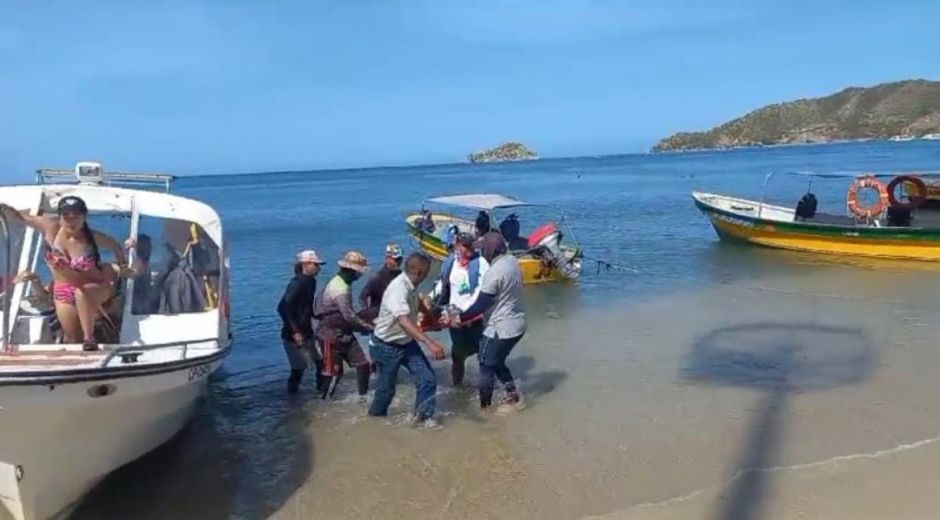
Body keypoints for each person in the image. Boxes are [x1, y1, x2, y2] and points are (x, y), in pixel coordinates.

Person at [0, 196, 131, 350]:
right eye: (66, 216)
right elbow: (20, 217)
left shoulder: (92, 237)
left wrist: (123, 264)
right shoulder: (51, 230)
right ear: (60, 217)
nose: (71, 221)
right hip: (63, 292)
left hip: (92, 287)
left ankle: (90, 338)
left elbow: (115, 246)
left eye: (76, 216)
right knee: (73, 340)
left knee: (82, 297)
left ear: (84, 217)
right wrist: (4, 208)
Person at [443, 231, 526, 415]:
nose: (481, 252)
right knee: (496, 360)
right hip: (518, 324)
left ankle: (485, 408)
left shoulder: (493, 272)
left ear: (492, 250)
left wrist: (458, 318)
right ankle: (513, 395)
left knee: (485, 363)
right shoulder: (512, 262)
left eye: (484, 249)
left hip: (499, 327)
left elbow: (480, 306)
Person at [368, 253, 446, 424]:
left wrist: (431, 318)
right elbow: (403, 321)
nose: (427, 276)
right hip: (386, 346)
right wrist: (429, 342)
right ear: (418, 272)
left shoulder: (411, 284)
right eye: (426, 273)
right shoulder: (398, 289)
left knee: (428, 380)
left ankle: (423, 421)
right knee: (386, 391)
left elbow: (416, 302)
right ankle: (374, 423)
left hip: (406, 342)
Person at [429, 232, 489, 386]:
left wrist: (465, 312)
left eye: (470, 245)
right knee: (458, 354)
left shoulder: (481, 263)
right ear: (457, 245)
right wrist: (430, 299)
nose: (468, 249)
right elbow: (442, 284)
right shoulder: (450, 262)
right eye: (465, 246)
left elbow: (480, 291)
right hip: (453, 312)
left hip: (475, 315)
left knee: (483, 354)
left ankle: (486, 387)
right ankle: (457, 387)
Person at [315, 251, 374, 398]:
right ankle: (324, 405)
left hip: (344, 332)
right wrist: (367, 327)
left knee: (363, 365)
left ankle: (362, 398)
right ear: (352, 271)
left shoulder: (339, 282)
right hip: (329, 334)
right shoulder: (340, 288)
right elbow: (349, 315)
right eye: (359, 273)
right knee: (333, 373)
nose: (360, 276)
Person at [277, 249, 325, 394]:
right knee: (298, 370)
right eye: (315, 264)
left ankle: (321, 393)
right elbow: (282, 308)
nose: (319, 268)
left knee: (320, 361)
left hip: (307, 331)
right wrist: (296, 332)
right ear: (306, 265)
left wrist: (317, 316)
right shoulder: (297, 283)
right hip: (292, 335)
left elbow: (305, 306)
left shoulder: (311, 282)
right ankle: (292, 400)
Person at [358, 243, 403, 323]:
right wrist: (368, 314)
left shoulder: (400, 275)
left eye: (400, 259)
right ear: (387, 259)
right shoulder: (377, 278)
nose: (398, 262)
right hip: (379, 317)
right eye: (395, 260)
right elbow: (362, 297)